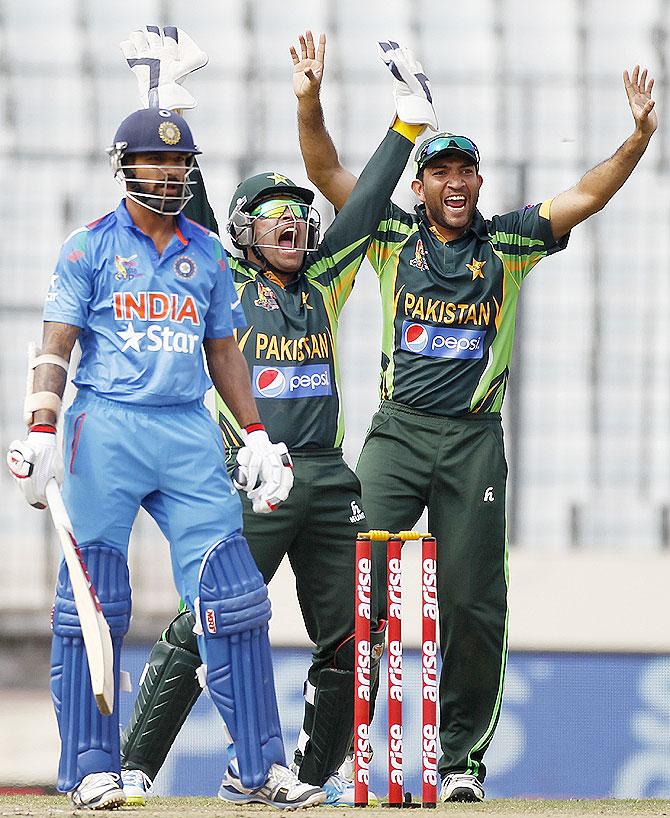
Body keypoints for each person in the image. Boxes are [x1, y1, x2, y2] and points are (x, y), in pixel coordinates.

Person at [296, 61, 658, 802]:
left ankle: (459, 762)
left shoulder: (510, 243)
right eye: (441, 171)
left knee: (471, 601)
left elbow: (587, 195)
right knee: (355, 587)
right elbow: (327, 168)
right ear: (419, 184)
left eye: (467, 171)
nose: (456, 182)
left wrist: (638, 138)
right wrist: (310, 99)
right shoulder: (390, 234)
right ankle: (328, 757)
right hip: (395, 436)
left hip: (473, 442)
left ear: (479, 184)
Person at [115, 28, 436, 808]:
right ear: (241, 231)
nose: (291, 228)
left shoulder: (324, 281)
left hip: (329, 479)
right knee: (209, 625)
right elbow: (179, 192)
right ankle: (131, 769)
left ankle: (306, 779)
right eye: (273, 219)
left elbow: (360, 211)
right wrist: (161, 101)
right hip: (253, 476)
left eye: (298, 217)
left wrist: (406, 128)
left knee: (352, 641)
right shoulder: (216, 273)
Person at [5, 104, 322, 811]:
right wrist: (40, 431)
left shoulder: (207, 251)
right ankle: (92, 767)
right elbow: (56, 347)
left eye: (181, 163)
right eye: (158, 161)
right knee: (94, 599)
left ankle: (257, 768)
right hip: (106, 426)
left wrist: (257, 433)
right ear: (127, 167)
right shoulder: (87, 248)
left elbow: (223, 351)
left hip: (185, 431)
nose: (173, 173)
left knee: (235, 597)